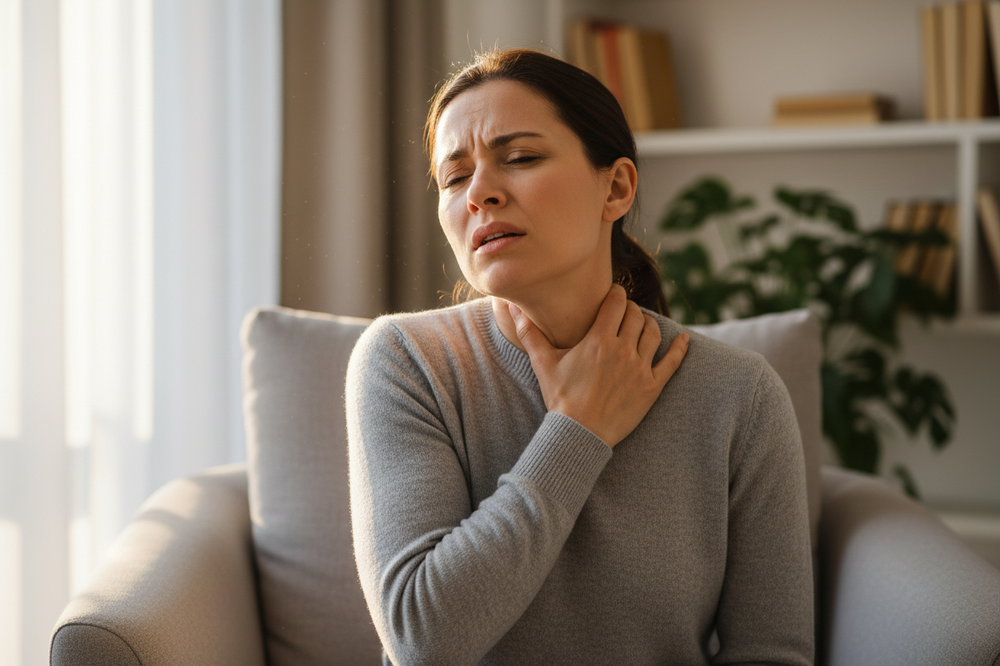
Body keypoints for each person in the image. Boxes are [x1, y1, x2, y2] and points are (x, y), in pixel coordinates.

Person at [347, 48, 813, 666]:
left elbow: (771, 651)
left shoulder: (739, 393)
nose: (479, 193)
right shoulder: (405, 360)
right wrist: (577, 430)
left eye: (520, 158)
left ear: (615, 187)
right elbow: (421, 640)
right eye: (455, 177)